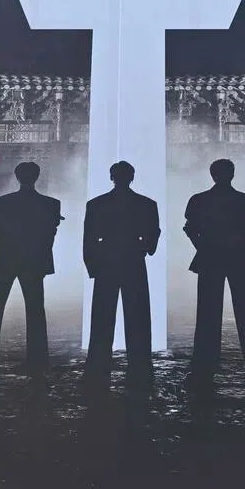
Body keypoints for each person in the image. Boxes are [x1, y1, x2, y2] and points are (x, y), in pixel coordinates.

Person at [183, 158, 245, 395]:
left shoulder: (199, 200)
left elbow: (190, 229)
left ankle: (202, 370)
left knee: (207, 316)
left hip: (210, 259)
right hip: (241, 260)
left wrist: (203, 247)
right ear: (232, 174)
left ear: (212, 175)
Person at [0, 162, 62, 388]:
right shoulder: (51, 204)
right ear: (36, 177)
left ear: (17, 177)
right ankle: (38, 361)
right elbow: (48, 239)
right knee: (35, 311)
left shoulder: (2, 203)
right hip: (33, 263)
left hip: (5, 262)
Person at [83, 161, 161, 389]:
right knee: (138, 315)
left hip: (106, 262)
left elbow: (88, 238)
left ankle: (97, 364)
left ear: (111, 177)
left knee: (102, 317)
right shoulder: (146, 204)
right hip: (133, 261)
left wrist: (92, 265)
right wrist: (145, 246)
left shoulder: (96, 204)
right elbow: (153, 233)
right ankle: (140, 365)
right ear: (132, 177)